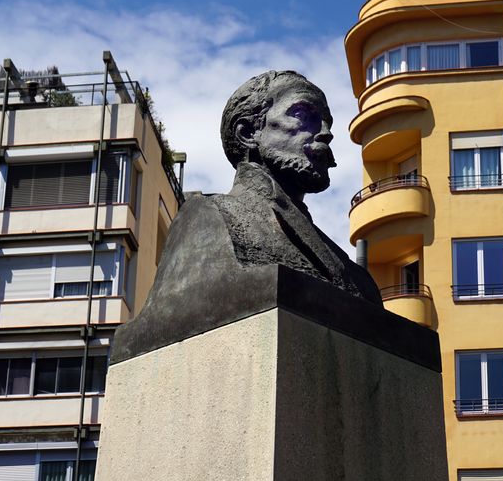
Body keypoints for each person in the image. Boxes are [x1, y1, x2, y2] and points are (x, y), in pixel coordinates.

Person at [112, 70, 382, 361]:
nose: (326, 132)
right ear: (248, 133)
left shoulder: (357, 278)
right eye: (304, 114)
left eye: (327, 121)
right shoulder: (209, 218)